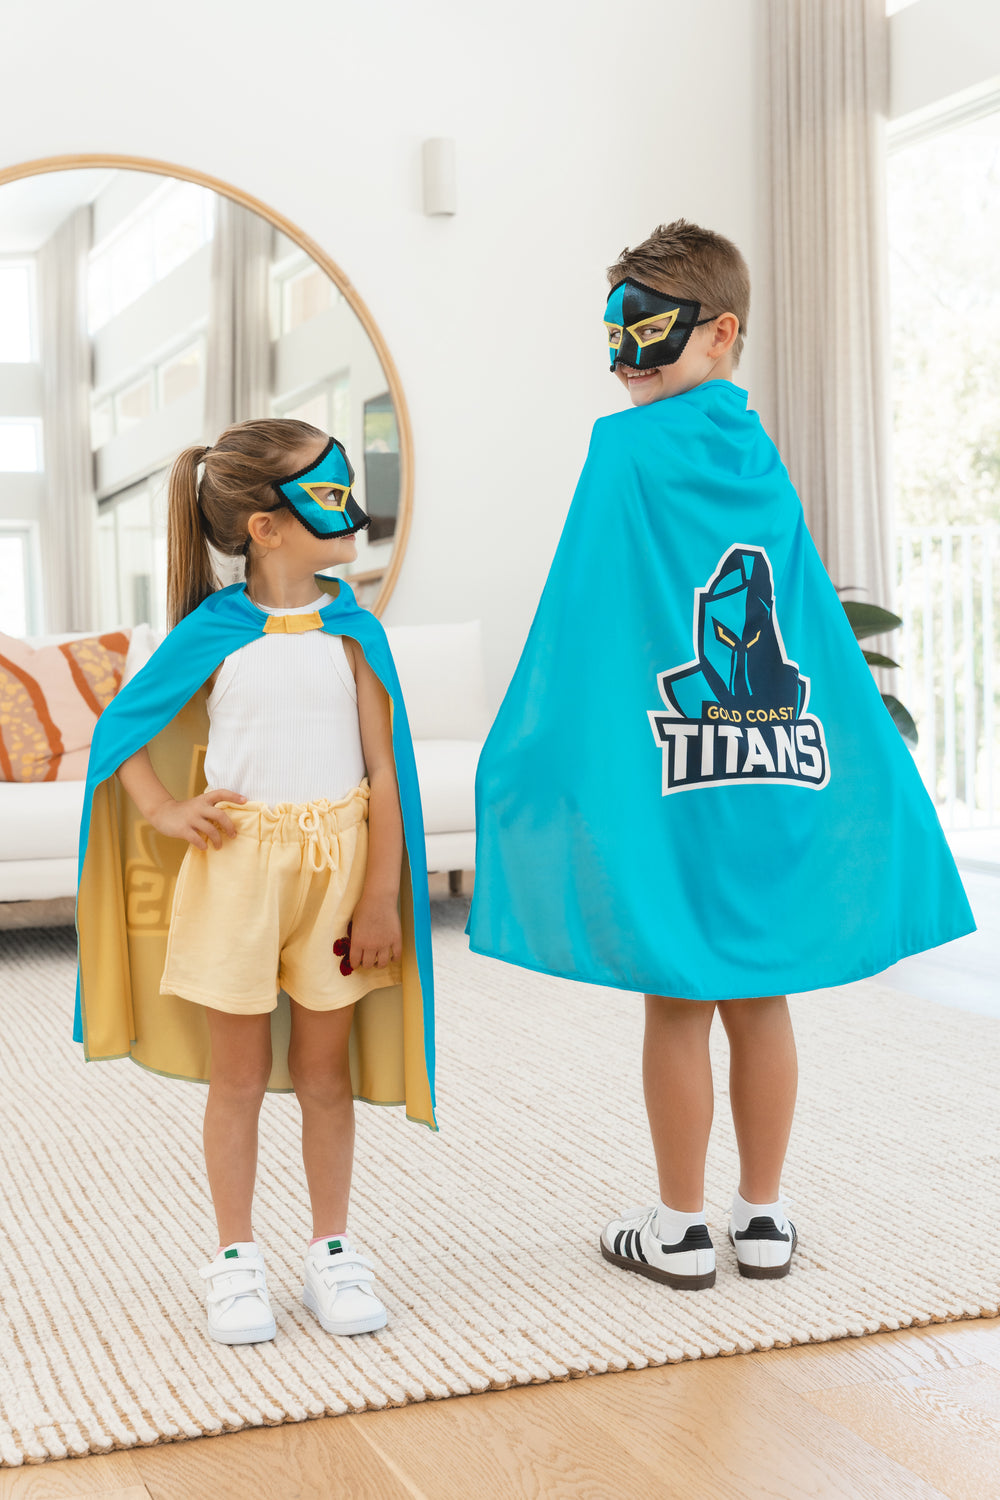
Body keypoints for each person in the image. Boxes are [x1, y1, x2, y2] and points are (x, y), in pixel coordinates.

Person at [467, 220, 974, 1290]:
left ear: (720, 331)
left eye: (643, 334)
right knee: (762, 993)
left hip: (675, 767)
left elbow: (587, 618)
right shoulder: (755, 449)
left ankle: (680, 1226)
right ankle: (764, 1218)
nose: (621, 362)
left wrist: (541, 743)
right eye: (610, 337)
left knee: (676, 996)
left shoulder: (621, 450)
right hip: (772, 761)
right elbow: (807, 627)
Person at [74, 418, 436, 1344]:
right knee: (236, 1077)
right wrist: (161, 811)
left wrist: (384, 894)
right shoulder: (215, 632)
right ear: (265, 527)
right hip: (237, 876)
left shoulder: (353, 629)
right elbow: (122, 729)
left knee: (325, 1074)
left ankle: (331, 1252)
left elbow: (384, 768)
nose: (351, 513)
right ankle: (234, 1261)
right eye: (326, 498)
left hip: (339, 872)